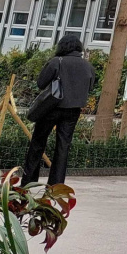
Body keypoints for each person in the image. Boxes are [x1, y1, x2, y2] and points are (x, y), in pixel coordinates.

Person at [22, 34, 95, 187]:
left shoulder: (57, 62)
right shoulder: (88, 66)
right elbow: (90, 87)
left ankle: (28, 182)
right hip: (73, 110)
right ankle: (56, 186)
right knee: (63, 147)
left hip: (51, 107)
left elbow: (41, 83)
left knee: (38, 142)